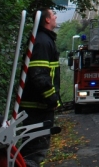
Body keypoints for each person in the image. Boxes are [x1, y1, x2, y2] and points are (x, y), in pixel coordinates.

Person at [19, 9, 61, 167]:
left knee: (35, 148)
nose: (56, 16)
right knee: (34, 151)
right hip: (38, 107)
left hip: (38, 106)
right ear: (47, 20)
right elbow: (39, 75)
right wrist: (52, 99)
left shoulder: (43, 40)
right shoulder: (43, 42)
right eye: (53, 14)